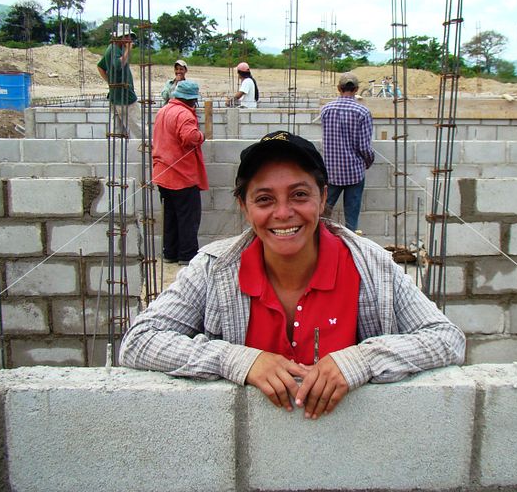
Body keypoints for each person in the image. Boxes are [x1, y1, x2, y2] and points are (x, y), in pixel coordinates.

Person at [120, 130, 465, 420]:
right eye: (265, 199)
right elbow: (139, 341)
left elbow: (446, 338)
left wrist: (361, 360)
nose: (283, 213)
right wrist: (238, 359)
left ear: (323, 197)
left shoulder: (370, 265)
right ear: (244, 206)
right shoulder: (214, 269)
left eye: (299, 195)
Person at [152, 80, 208, 265]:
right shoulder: (184, 114)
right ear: (191, 99)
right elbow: (190, 137)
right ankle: (186, 256)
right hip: (181, 176)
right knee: (188, 218)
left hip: (163, 174)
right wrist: (202, 136)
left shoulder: (163, 110)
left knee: (170, 217)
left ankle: (170, 253)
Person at [320, 72, 375, 232]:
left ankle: (319, 243)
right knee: (351, 218)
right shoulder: (362, 112)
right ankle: (351, 247)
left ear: (339, 88)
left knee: (322, 214)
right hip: (354, 172)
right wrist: (368, 161)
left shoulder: (326, 110)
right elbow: (364, 147)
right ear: (356, 89)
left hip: (330, 172)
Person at [97, 23, 143, 138]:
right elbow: (118, 65)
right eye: (126, 36)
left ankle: (119, 155)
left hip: (116, 96)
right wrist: (128, 50)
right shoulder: (113, 50)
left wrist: (110, 83)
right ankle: (148, 152)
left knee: (118, 132)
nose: (129, 39)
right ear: (119, 37)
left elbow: (100, 66)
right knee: (139, 129)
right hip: (124, 97)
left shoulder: (116, 48)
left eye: (130, 36)